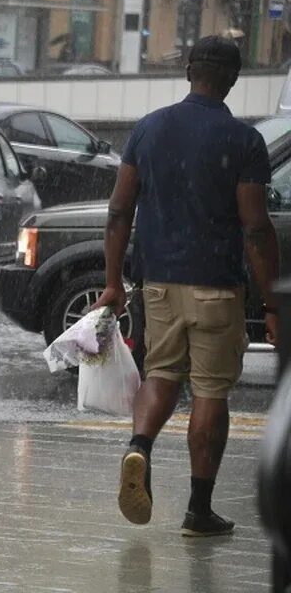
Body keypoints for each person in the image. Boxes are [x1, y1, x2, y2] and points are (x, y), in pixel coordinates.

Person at [93, 36, 279, 536]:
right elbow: (257, 227)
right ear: (233, 80)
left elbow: (118, 210)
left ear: (189, 71)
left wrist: (113, 282)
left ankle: (140, 447)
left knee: (161, 373)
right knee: (211, 391)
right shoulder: (243, 141)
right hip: (216, 284)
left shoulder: (149, 129)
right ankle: (199, 509)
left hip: (158, 281)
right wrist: (275, 302)